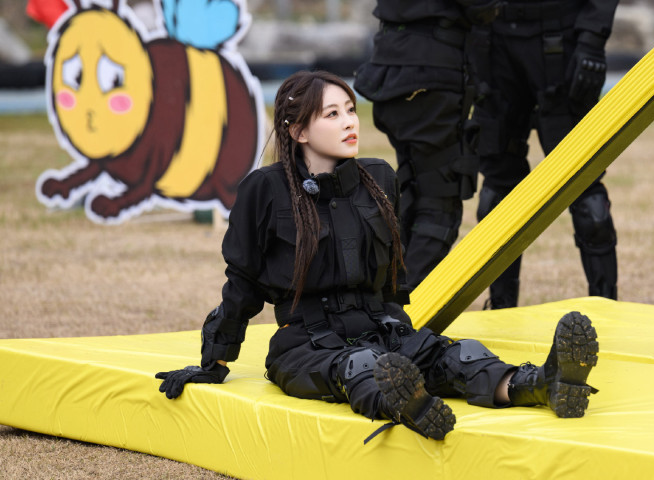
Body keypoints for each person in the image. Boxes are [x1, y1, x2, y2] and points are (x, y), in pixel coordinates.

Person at [156, 70, 600, 441]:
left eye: (351, 110)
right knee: (363, 367)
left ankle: (543, 385)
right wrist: (213, 362)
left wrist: (411, 340)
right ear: (299, 131)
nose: (350, 122)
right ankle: (408, 405)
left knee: (459, 356)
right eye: (333, 114)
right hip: (306, 346)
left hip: (383, 330)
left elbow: (392, 278)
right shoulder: (265, 189)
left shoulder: (378, 178)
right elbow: (243, 283)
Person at [469, 0, 620, 309]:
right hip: (492, 42)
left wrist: (592, 39)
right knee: (496, 195)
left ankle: (607, 311)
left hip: (560, 38)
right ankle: (500, 313)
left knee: (586, 193)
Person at [354, 0, 499, 289]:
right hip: (431, 70)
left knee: (413, 192)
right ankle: (409, 307)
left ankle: (387, 299)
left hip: (391, 65)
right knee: (439, 205)